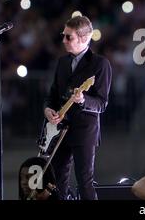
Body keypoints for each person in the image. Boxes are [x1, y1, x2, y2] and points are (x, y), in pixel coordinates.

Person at [44, 15, 112, 200]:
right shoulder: (62, 62)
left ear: (83, 38)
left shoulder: (100, 64)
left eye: (69, 37)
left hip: (84, 129)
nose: (64, 40)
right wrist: (48, 109)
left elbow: (101, 103)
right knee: (57, 180)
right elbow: (53, 94)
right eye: (64, 35)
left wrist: (83, 100)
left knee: (84, 180)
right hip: (60, 129)